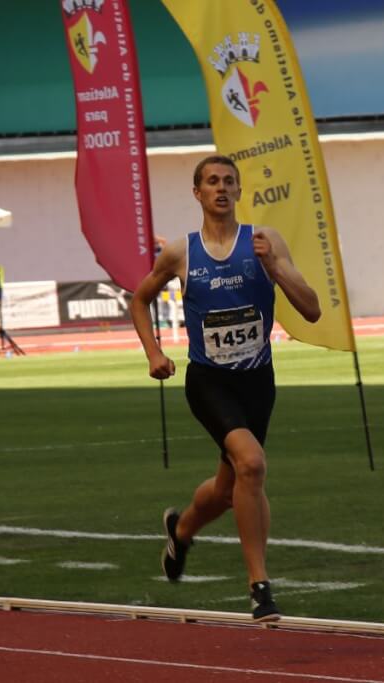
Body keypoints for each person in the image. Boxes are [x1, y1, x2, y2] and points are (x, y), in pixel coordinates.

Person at [131, 155, 321, 622]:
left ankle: (182, 529)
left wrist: (275, 268)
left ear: (239, 191)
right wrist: (154, 353)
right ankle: (260, 587)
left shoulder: (264, 241)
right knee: (252, 466)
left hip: (257, 381)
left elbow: (312, 308)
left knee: (228, 485)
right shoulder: (181, 253)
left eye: (229, 182)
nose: (221, 188)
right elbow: (139, 299)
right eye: (212, 181)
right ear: (197, 193)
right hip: (208, 381)